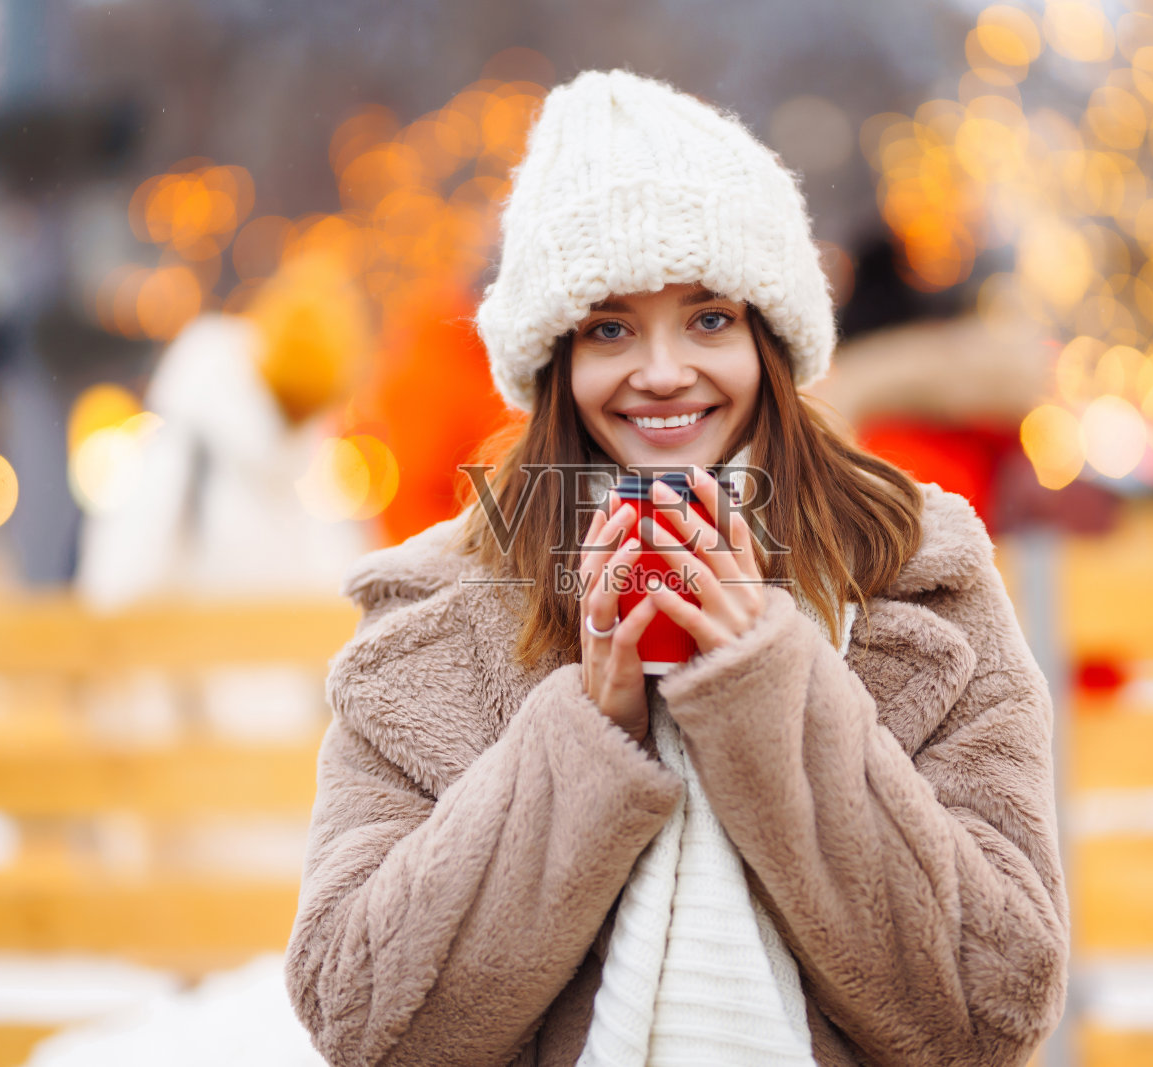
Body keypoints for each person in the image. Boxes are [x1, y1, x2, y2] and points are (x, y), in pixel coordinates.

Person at [285, 69, 1069, 1066]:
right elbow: (365, 1025)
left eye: (708, 319)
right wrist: (585, 732)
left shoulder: (916, 577)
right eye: (610, 326)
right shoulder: (437, 611)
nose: (661, 371)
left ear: (770, 339)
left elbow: (988, 1013)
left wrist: (766, 691)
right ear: (553, 359)